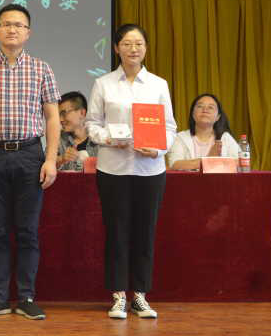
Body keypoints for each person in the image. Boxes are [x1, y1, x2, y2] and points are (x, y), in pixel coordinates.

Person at [0, 3, 61, 320]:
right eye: (6, 24)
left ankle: (27, 297)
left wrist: (51, 159)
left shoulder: (42, 69)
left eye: (19, 25)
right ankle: (0, 297)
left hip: (30, 153)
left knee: (28, 230)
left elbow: (53, 118)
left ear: (28, 32)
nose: (12, 29)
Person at [86, 23, 177, 320]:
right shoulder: (103, 84)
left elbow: (170, 127)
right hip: (113, 168)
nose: (133, 49)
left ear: (146, 48)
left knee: (144, 232)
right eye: (126, 43)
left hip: (149, 170)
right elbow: (92, 124)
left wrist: (159, 149)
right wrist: (108, 138)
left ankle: (140, 295)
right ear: (116, 48)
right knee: (116, 232)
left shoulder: (158, 84)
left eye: (138, 43)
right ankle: (118, 296)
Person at [167, 93, 240, 170]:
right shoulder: (180, 137)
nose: (205, 110)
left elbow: (239, 162)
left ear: (218, 117)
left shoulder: (225, 138)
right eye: (200, 106)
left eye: (210, 107)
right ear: (193, 114)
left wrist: (203, 162)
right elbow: (174, 164)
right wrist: (209, 160)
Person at [57, 91, 98, 171]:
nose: (60, 119)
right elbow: (45, 164)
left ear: (82, 113)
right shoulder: (57, 139)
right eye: (59, 115)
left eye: (64, 113)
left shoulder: (99, 139)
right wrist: (61, 159)